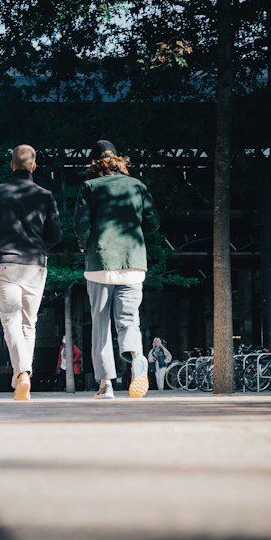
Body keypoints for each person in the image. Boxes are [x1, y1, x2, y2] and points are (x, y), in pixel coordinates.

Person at [74, 139, 160, 401]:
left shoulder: (89, 187)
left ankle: (106, 386)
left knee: (100, 325)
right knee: (129, 320)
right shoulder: (138, 186)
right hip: (133, 263)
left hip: (100, 265)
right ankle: (136, 358)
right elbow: (153, 222)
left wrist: (86, 245)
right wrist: (134, 237)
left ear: (94, 163)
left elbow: (81, 225)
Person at [0, 144, 62, 401]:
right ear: (33, 167)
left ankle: (22, 373)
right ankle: (23, 376)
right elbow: (55, 235)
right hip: (35, 265)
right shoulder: (46, 196)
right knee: (29, 323)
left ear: (12, 165)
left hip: (4, 264)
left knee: (11, 320)